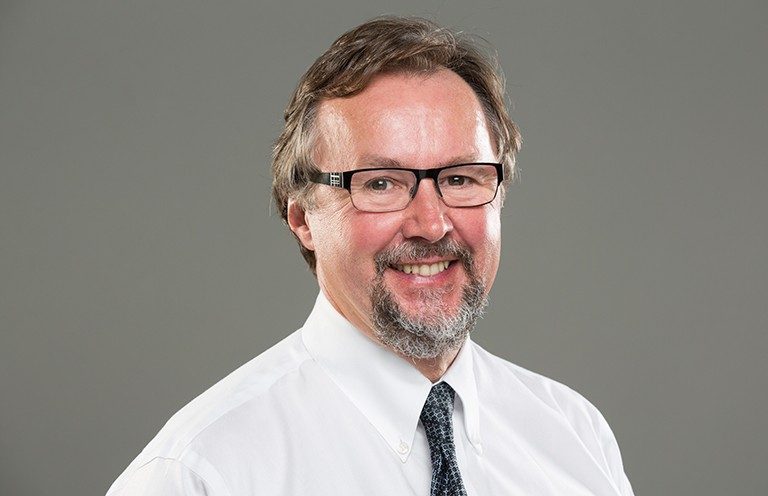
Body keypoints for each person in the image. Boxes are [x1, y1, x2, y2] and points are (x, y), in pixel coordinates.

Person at [106, 16, 634, 495]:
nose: (431, 224)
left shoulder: (575, 437)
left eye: (459, 178)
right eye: (380, 183)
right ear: (302, 218)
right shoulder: (201, 472)